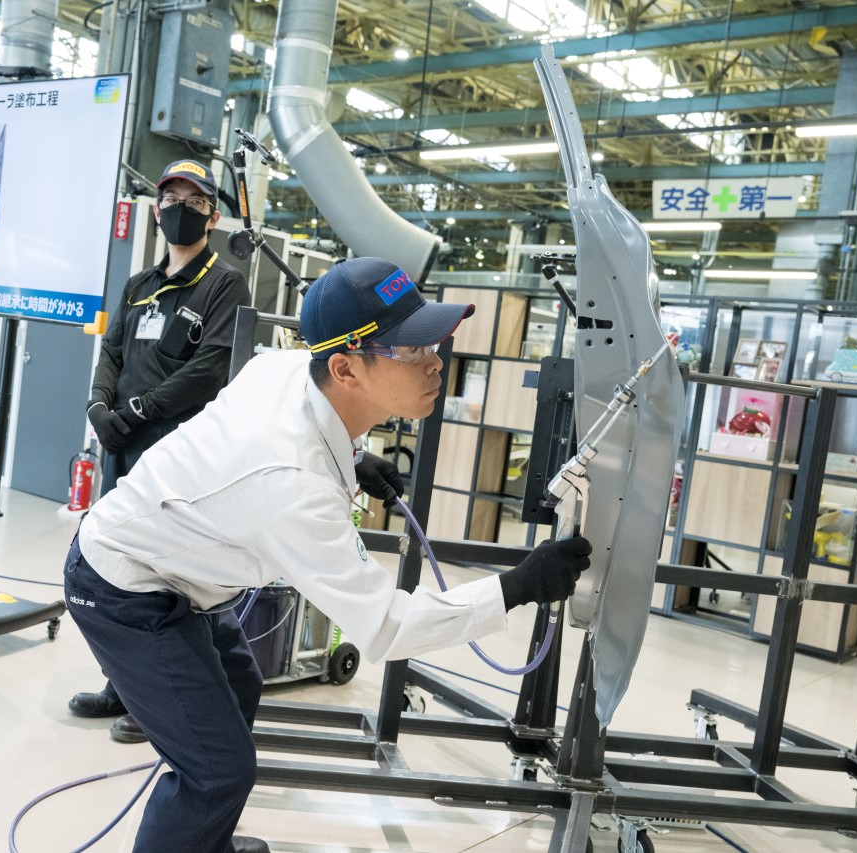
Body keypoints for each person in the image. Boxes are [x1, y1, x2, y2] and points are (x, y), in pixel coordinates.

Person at [62, 256, 593, 853]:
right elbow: (387, 627)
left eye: (432, 342)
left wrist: (352, 457)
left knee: (239, 684)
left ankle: (201, 844)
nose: (435, 361)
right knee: (216, 770)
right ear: (345, 367)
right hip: (124, 585)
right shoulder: (294, 485)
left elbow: (295, 424)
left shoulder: (288, 366)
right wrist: (516, 587)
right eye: (411, 349)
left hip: (180, 568)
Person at [69, 159, 251, 743]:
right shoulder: (138, 286)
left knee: (167, 576)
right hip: (122, 445)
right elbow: (112, 352)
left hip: (175, 452)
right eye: (171, 199)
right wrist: (99, 408)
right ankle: (122, 684)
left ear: (213, 217)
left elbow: (209, 368)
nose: (180, 209)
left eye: (194, 202)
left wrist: (136, 413)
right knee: (117, 565)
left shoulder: (223, 284)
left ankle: (161, 701)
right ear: (156, 211)